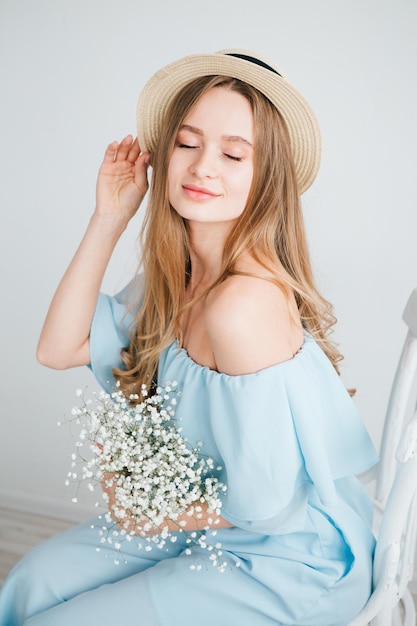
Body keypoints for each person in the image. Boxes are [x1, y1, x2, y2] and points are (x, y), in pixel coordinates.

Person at [0, 49, 378, 626]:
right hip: (207, 518)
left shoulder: (243, 306)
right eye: (187, 143)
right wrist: (109, 218)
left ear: (265, 177)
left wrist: (146, 511)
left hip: (285, 556)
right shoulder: (173, 276)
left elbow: (272, 508)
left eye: (233, 153)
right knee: (31, 582)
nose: (203, 166)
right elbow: (58, 348)